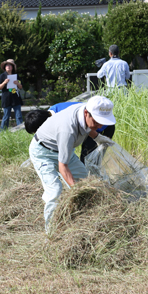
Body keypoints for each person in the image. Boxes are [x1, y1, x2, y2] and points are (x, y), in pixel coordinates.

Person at [29, 96, 116, 233]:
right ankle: (51, 232)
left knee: (86, 180)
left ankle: (84, 217)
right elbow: (63, 167)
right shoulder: (67, 129)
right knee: (55, 190)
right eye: (98, 122)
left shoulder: (84, 111)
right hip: (43, 153)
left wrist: (98, 137)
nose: (100, 126)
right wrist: (77, 191)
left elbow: (87, 126)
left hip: (63, 149)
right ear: (87, 114)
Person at [25, 101, 116, 163]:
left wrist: (98, 138)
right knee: (86, 159)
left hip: (101, 126)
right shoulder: (53, 109)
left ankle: (91, 182)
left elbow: (87, 128)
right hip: (93, 125)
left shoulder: (62, 121)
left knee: (88, 159)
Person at [0, 59, 23, 131]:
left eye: (10, 65)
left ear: (13, 67)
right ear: (5, 67)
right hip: (6, 98)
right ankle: (3, 132)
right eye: (7, 65)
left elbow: (21, 87)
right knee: (6, 116)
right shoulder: (2, 76)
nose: (8, 66)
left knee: (19, 116)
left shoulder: (16, 76)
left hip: (16, 98)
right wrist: (4, 82)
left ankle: (21, 131)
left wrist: (17, 83)